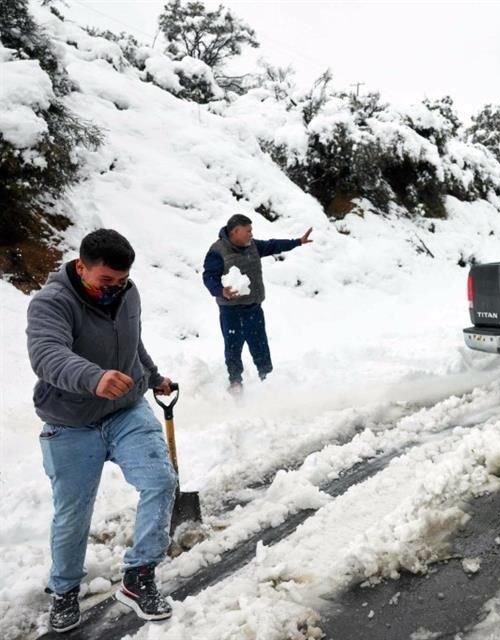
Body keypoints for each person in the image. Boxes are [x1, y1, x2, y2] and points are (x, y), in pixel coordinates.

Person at [26, 229, 179, 632]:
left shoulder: (129, 293)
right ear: (81, 267)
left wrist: (153, 376)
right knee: (73, 513)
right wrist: (93, 377)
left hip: (126, 410)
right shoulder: (51, 303)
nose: (114, 289)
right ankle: (64, 591)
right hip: (70, 420)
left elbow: (132, 343)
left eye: (121, 280)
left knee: (161, 481)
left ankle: (139, 576)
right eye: (105, 281)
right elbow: (47, 355)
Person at [201, 214, 313, 392]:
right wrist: (221, 291)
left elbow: (272, 245)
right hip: (231, 310)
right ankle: (235, 382)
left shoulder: (252, 246)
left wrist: (297, 241)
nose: (251, 234)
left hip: (253, 308)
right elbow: (208, 277)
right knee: (233, 348)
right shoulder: (218, 250)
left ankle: (267, 379)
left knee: (260, 345)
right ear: (235, 231)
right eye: (248, 231)